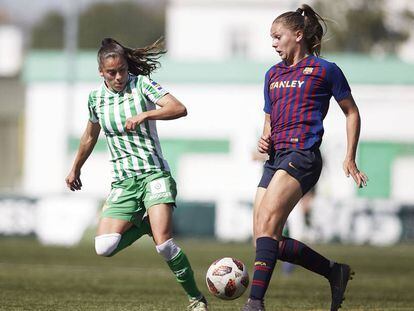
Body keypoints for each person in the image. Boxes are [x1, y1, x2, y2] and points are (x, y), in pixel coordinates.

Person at [65, 38, 208, 311]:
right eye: (112, 72)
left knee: (164, 245)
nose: (119, 76)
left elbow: (179, 108)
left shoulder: (141, 84)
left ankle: (195, 299)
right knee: (104, 247)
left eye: (122, 70)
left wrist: (145, 115)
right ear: (101, 72)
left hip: (154, 174)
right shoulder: (95, 99)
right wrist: (75, 167)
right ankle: (144, 227)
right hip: (123, 181)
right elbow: (89, 136)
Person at [242, 4, 368, 311]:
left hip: (304, 155)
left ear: (297, 35)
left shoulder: (326, 70)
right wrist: (265, 136)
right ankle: (333, 271)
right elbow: (269, 118)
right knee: (263, 237)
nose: (272, 43)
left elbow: (352, 112)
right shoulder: (272, 74)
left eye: (277, 36)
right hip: (275, 158)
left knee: (270, 224)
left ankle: (254, 303)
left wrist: (350, 158)